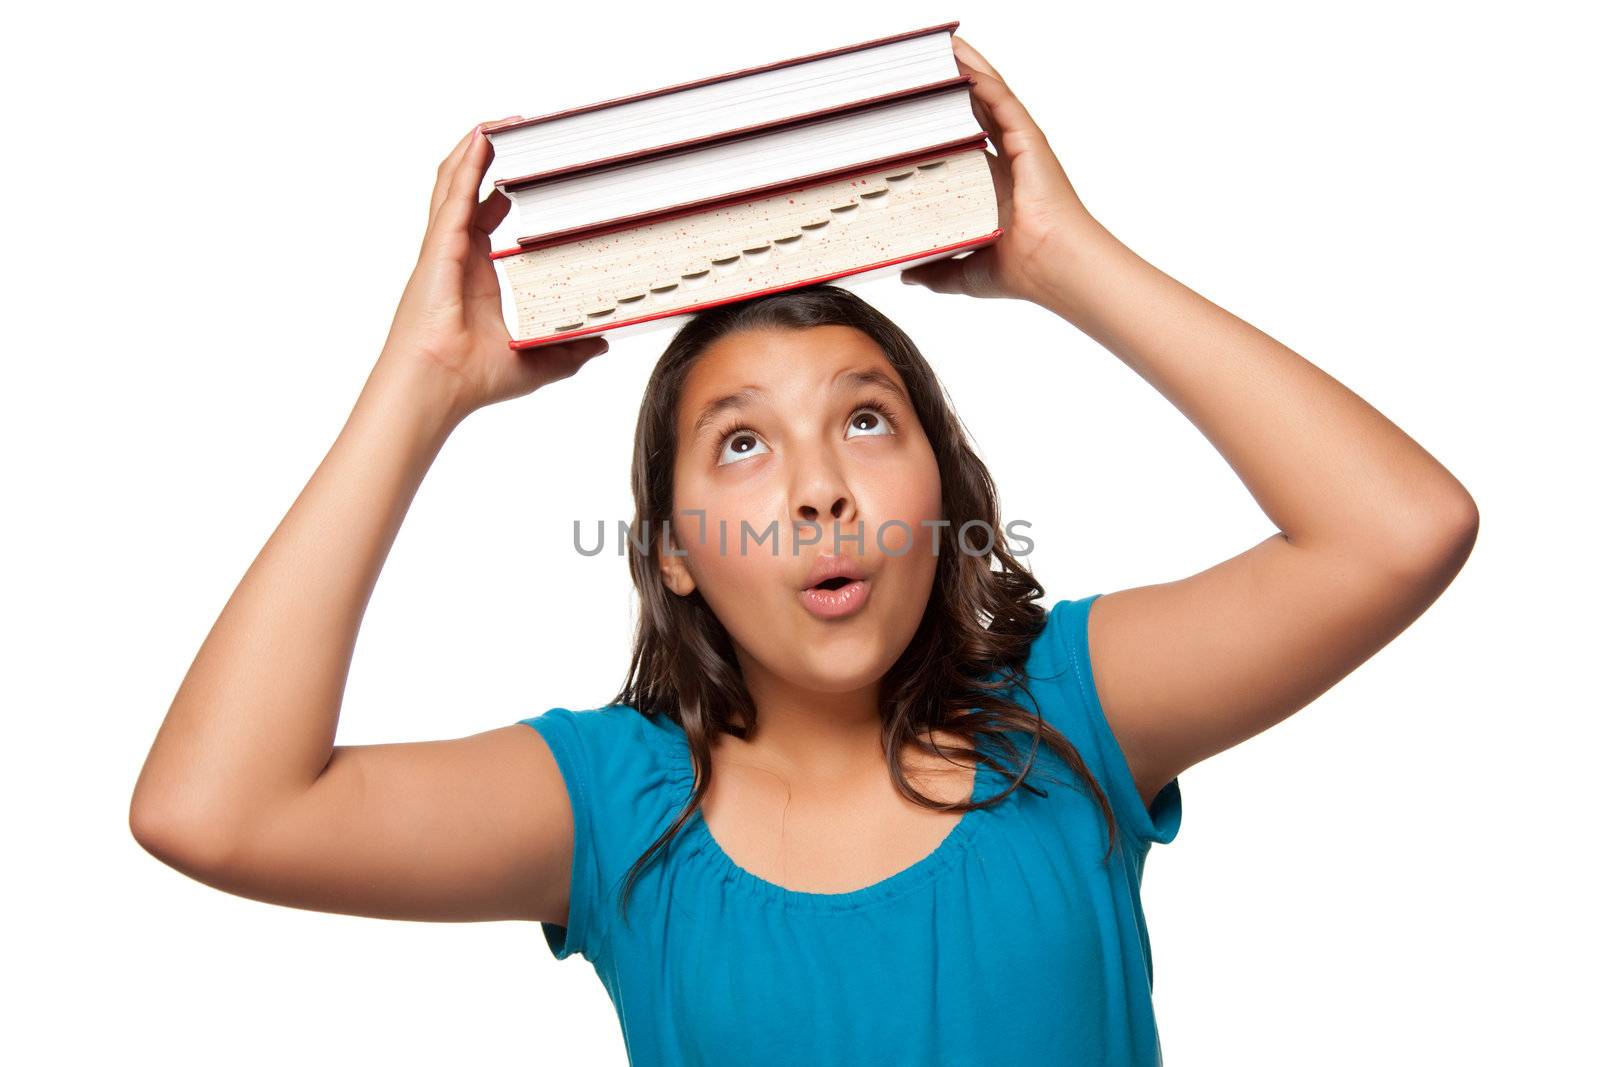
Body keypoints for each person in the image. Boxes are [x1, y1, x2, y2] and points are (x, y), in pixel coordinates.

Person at [129, 35, 1478, 1066]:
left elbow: (1400, 528)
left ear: (942, 490)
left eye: (867, 421)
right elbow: (214, 809)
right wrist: (418, 381)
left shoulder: (1074, 717)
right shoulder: (613, 814)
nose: (820, 488)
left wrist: (1068, 256)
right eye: (742, 444)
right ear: (670, 555)